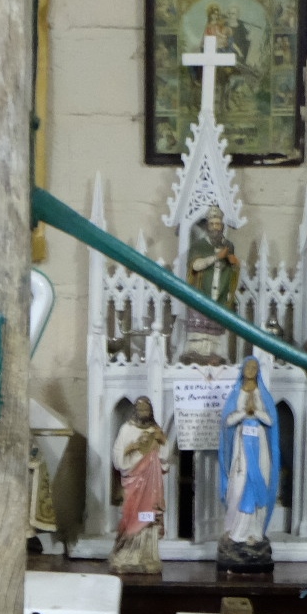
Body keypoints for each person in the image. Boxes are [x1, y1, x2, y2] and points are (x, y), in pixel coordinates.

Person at [217, 357, 279, 570]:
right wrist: (245, 412)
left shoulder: (263, 394)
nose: (251, 370)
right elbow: (227, 421)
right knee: (239, 486)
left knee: (259, 479)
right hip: (241, 445)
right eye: (248, 367)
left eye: (255, 367)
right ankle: (237, 532)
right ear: (242, 370)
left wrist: (256, 412)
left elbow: (271, 421)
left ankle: (254, 532)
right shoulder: (236, 393)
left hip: (259, 444)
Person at [109, 396, 169, 575]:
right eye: (141, 409)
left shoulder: (155, 429)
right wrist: (132, 448)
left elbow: (165, 458)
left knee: (148, 515)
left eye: (147, 409)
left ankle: (146, 555)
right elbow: (118, 455)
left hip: (151, 481)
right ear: (135, 410)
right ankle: (127, 551)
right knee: (131, 514)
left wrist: (163, 441)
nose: (144, 412)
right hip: (133, 479)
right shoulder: (127, 429)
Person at [182, 205, 240, 365]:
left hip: (219, 294)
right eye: (212, 224)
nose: (215, 228)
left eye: (218, 224)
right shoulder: (199, 246)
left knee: (216, 332)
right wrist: (216, 257)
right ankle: (196, 355)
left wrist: (233, 263)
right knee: (199, 335)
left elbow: (233, 267)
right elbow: (195, 266)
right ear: (207, 226)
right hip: (201, 294)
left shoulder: (228, 246)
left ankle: (214, 356)